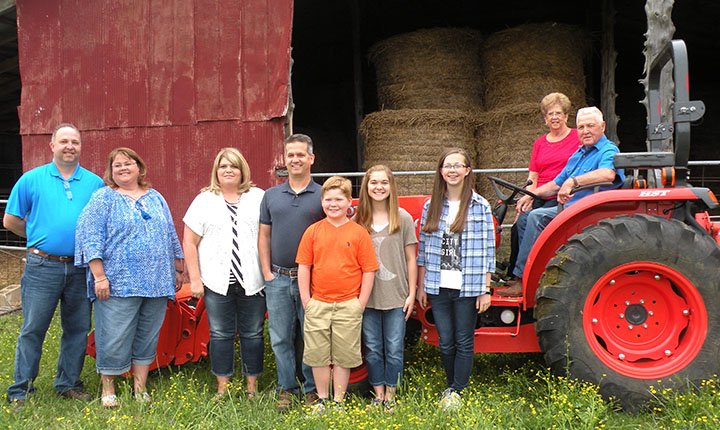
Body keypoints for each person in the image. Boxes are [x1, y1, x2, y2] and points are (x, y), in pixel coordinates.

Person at [75, 147, 183, 408]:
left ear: (139, 167)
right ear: (111, 172)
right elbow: (90, 237)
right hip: (118, 282)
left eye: (128, 163)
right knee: (113, 335)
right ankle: (108, 389)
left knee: (147, 335)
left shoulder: (155, 197)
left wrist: (177, 269)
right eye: (117, 165)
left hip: (157, 281)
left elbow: (169, 232)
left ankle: (140, 388)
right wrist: (99, 276)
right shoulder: (103, 198)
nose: (123, 168)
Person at [4, 123, 104, 406]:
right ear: (52, 146)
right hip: (42, 266)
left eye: (75, 141)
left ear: (81, 147)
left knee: (77, 327)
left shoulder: (94, 183)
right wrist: (38, 238)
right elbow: (10, 220)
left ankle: (68, 383)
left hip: (80, 267)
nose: (70, 146)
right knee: (33, 327)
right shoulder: (31, 179)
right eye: (64, 141)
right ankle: (21, 389)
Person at [503, 107, 625, 295]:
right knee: (525, 218)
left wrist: (574, 181)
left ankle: (526, 280)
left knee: (537, 216)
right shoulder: (579, 154)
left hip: (587, 211)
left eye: (590, 126)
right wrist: (530, 194)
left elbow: (608, 174)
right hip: (569, 208)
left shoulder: (608, 149)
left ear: (602, 126)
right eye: (581, 127)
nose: (585, 131)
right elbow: (555, 184)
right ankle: (519, 273)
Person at [183, 148, 266, 399]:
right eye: (223, 166)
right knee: (220, 334)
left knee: (253, 333)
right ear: (216, 172)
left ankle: (252, 386)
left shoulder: (259, 197)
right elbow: (189, 242)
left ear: (243, 170)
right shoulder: (204, 200)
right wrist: (195, 279)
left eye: (234, 166)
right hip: (217, 281)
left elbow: (268, 235)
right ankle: (223, 387)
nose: (228, 170)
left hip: (253, 280)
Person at [416, 148, 495, 411]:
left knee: (463, 339)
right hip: (439, 284)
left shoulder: (479, 205)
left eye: (457, 166)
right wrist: (422, 285)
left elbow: (488, 249)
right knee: (445, 339)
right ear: (441, 171)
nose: (452, 170)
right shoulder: (432, 205)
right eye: (447, 166)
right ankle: (451, 386)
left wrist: (486, 288)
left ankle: (457, 390)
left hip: (468, 283)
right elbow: (424, 249)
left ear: (467, 171)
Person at [296, 176, 378, 411]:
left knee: (344, 356)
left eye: (339, 199)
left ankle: (338, 401)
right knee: (318, 355)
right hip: (318, 303)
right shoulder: (313, 232)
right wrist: (306, 301)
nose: (333, 204)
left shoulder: (358, 233)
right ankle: (322, 398)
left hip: (348, 304)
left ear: (349, 201)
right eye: (328, 199)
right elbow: (304, 266)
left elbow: (368, 270)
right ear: (322, 202)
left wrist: (360, 304)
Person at [258, 133, 324, 410]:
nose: (295, 159)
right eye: (290, 155)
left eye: (300, 155)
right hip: (278, 277)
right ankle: (286, 388)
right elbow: (264, 235)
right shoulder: (271, 195)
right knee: (281, 336)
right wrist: (266, 272)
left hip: (312, 280)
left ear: (311, 159)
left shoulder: (323, 195)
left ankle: (311, 388)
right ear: (284, 160)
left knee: (312, 335)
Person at [499, 92, 580, 296]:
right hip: (539, 194)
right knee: (518, 224)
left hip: (561, 194)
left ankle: (523, 277)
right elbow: (533, 176)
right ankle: (513, 274)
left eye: (558, 113)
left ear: (566, 116)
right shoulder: (540, 143)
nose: (554, 117)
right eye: (550, 114)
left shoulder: (577, 138)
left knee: (531, 221)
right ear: (545, 119)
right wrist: (527, 196)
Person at [353, 165, 417, 410]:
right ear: (366, 187)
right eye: (373, 183)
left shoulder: (402, 218)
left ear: (391, 187)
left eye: (383, 183)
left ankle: (391, 394)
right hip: (368, 296)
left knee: (394, 347)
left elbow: (411, 258)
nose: (378, 187)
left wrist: (411, 293)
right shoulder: (359, 220)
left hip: (396, 295)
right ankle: (377, 393)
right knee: (372, 347)